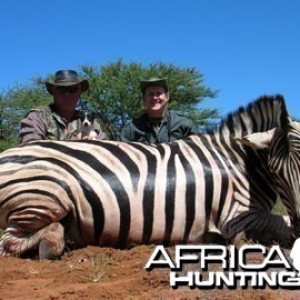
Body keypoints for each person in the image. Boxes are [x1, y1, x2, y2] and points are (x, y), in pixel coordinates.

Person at [19, 70, 106, 143]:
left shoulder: (91, 123)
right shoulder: (38, 117)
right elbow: (31, 147)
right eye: (62, 90)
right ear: (53, 92)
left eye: (73, 90)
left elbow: (104, 151)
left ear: (80, 93)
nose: (67, 94)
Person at [120, 77, 197, 144]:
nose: (155, 97)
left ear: (167, 97)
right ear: (143, 99)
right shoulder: (130, 129)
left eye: (159, 93)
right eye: (151, 94)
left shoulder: (185, 126)